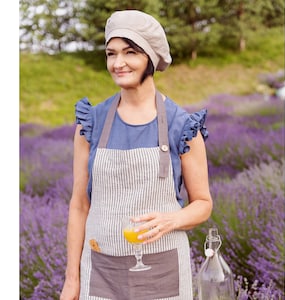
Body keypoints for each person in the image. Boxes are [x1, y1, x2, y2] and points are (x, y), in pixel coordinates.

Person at [60, 9, 213, 300]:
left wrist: (173, 220)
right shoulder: (90, 123)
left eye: (130, 52)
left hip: (162, 272)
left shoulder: (182, 126)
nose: (118, 63)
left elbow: (203, 204)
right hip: (101, 272)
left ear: (151, 58)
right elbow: (79, 205)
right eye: (111, 53)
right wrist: (71, 280)